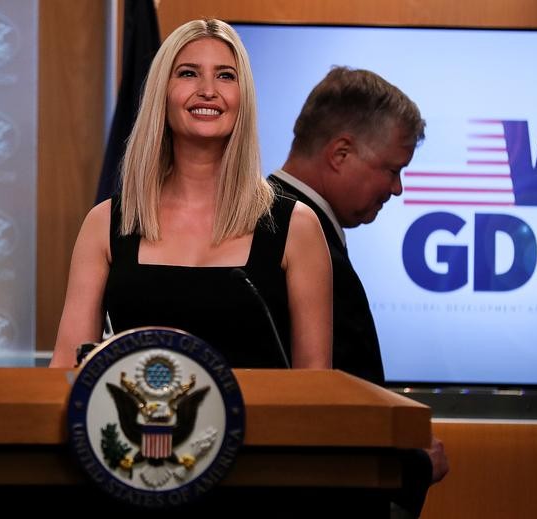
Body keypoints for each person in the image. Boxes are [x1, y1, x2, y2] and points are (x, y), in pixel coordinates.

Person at [50, 19, 332, 370]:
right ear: (161, 94)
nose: (208, 90)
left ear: (243, 96)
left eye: (226, 76)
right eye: (188, 73)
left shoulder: (297, 227)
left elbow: (315, 386)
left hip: (262, 426)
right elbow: (67, 370)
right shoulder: (106, 223)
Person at [268, 67, 448, 519]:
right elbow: (321, 418)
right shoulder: (295, 242)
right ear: (340, 152)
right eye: (392, 169)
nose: (397, 188)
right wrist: (416, 467)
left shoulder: (263, 222)